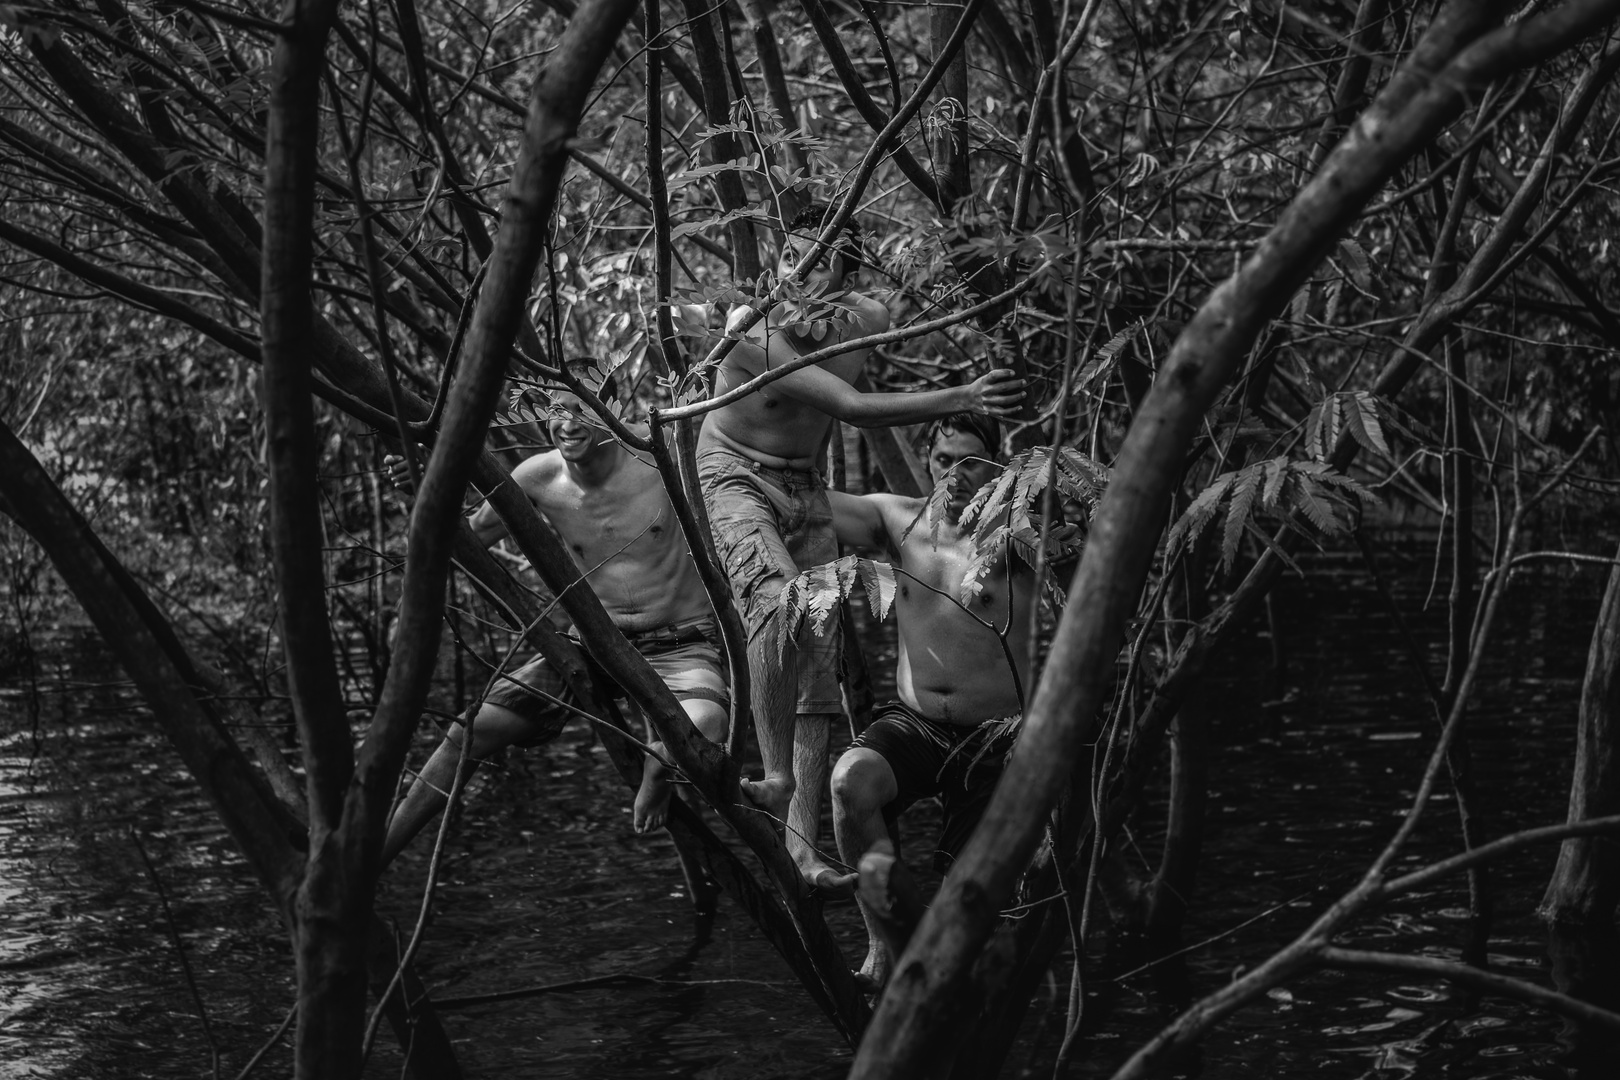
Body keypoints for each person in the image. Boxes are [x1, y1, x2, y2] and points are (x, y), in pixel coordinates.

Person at [696, 202, 1028, 898]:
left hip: (807, 480)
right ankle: (779, 774)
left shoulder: (868, 317)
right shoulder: (754, 331)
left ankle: (802, 844)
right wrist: (963, 392)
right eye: (790, 256)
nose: (800, 271)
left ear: (848, 267)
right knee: (778, 602)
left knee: (818, 650)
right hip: (737, 472)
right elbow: (847, 406)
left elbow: (860, 380)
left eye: (819, 257)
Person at [381, 368, 728, 865]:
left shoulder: (659, 462)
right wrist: (422, 488)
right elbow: (461, 543)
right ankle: (376, 856)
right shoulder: (537, 477)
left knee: (707, 726)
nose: (567, 422)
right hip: (594, 647)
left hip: (683, 644)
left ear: (609, 409)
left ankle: (659, 772)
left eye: (581, 407)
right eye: (556, 410)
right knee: (468, 731)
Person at [824, 414, 1040, 989]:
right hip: (916, 725)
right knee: (850, 783)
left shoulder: (1024, 537)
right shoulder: (897, 519)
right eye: (945, 460)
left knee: (960, 911)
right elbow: (806, 503)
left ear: (998, 467)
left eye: (973, 462)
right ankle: (883, 947)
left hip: (1000, 737)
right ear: (927, 461)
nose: (957, 474)